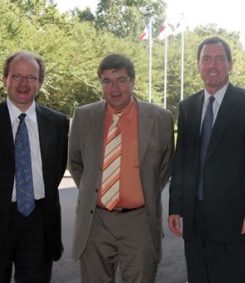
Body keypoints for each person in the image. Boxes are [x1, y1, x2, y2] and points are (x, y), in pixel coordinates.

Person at [0, 50, 69, 282]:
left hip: (39, 224)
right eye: (17, 76)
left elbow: (55, 171)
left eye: (31, 77)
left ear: (40, 83)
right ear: (5, 79)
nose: (23, 83)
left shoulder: (57, 122)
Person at [168, 37, 245, 283]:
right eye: (206, 59)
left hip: (238, 223)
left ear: (230, 64)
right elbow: (182, 159)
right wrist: (176, 206)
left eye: (219, 59)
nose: (212, 65)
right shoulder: (187, 106)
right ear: (198, 65)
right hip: (195, 221)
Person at [68, 53, 174, 282]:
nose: (114, 88)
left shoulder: (160, 119)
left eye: (121, 80)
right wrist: (95, 191)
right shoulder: (84, 116)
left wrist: (138, 192)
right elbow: (76, 163)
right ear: (101, 84)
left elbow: (164, 167)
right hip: (96, 220)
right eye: (107, 81)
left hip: (140, 221)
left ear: (133, 82)